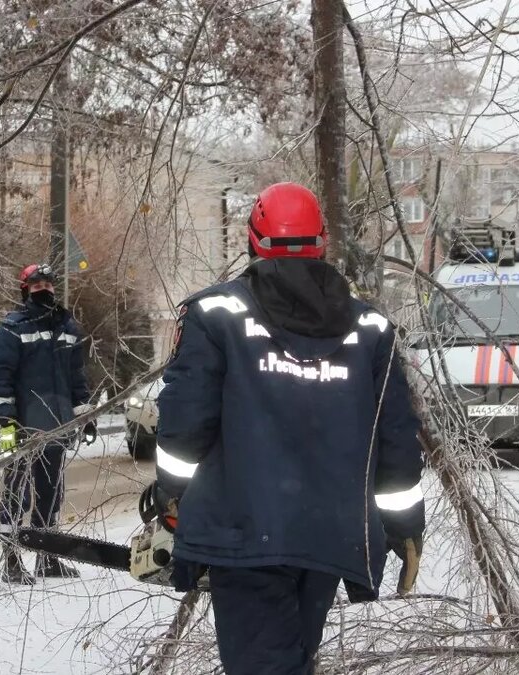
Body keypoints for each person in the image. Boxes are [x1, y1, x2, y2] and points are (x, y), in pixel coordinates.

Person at [152, 183, 426, 674]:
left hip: (243, 534)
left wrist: (170, 495)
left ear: (252, 239)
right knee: (291, 659)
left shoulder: (217, 315)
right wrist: (404, 525)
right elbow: (396, 441)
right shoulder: (370, 330)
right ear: (321, 240)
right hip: (327, 536)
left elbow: (184, 423)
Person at [0, 263, 98, 584]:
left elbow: (77, 378)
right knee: (16, 492)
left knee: (51, 492)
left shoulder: (66, 327)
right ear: (25, 291)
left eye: (48, 284)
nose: (44, 290)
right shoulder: (11, 328)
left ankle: (48, 558)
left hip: (57, 426)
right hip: (19, 428)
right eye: (36, 286)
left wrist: (85, 417)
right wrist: (6, 423)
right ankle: (10, 559)